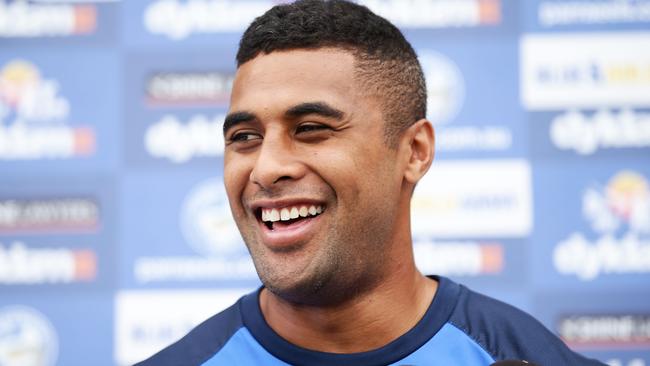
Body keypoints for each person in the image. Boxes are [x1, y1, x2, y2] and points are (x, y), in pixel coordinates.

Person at [136, 1, 604, 365]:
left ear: (415, 152)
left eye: (311, 128)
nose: (265, 168)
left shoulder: (518, 355)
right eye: (245, 137)